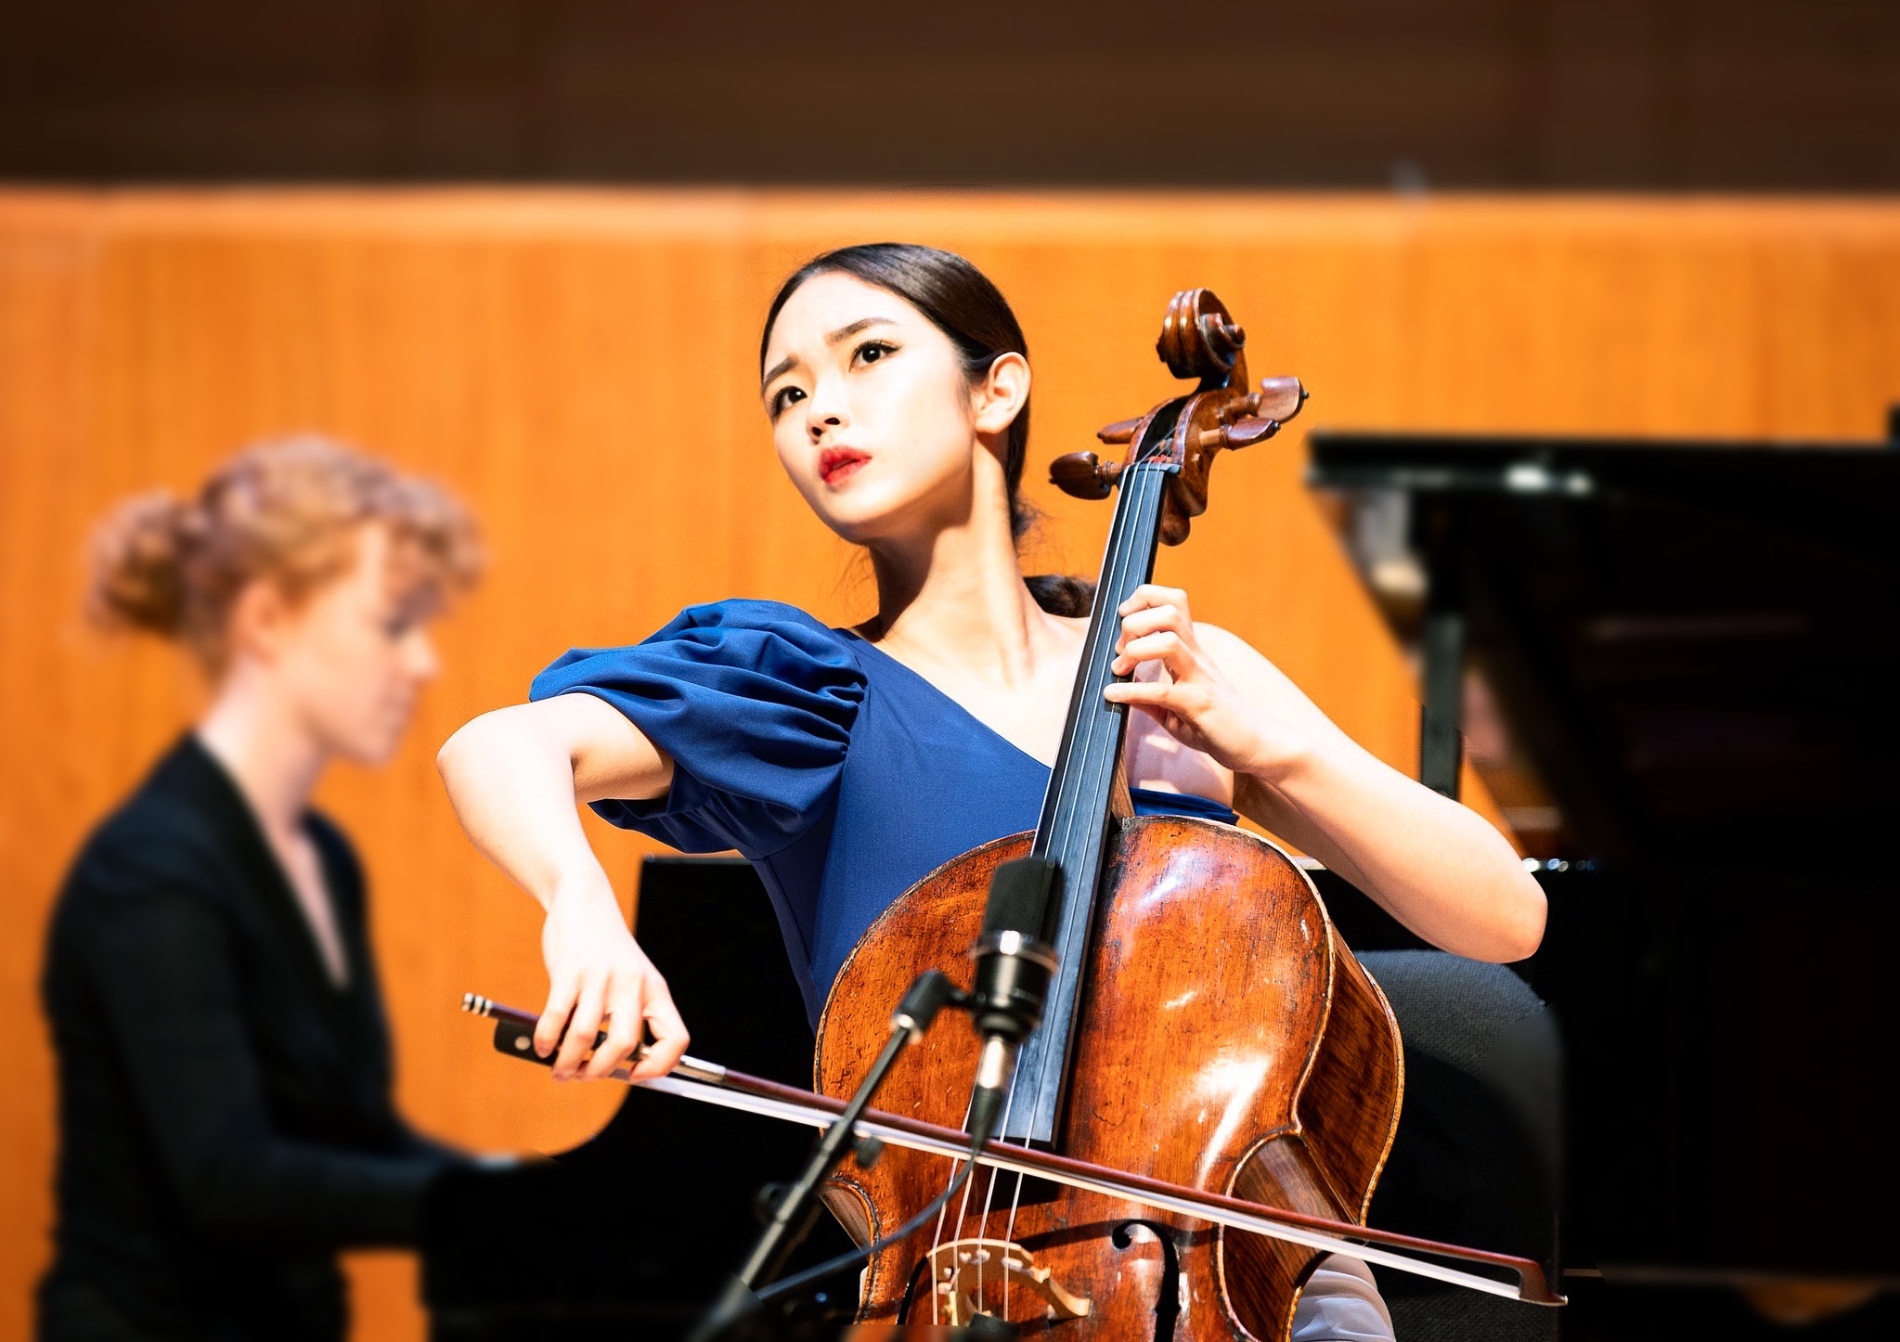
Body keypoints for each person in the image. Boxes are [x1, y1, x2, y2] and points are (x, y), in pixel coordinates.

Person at [436, 243, 1546, 1339]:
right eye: (788, 394)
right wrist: (580, 912)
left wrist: (1277, 752)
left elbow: (1502, 918)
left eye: (868, 355)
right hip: (950, 1286)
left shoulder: (1169, 673)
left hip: (1239, 1289)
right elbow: (497, 746)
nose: (822, 411)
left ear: (996, 390)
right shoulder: (807, 694)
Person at [39, 438, 482, 1341]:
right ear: (267, 620)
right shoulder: (150, 871)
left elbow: (352, 1134)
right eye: (393, 623)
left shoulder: (324, 857)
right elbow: (230, 1181)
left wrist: (532, 1193)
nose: (424, 663)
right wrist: (498, 1210)